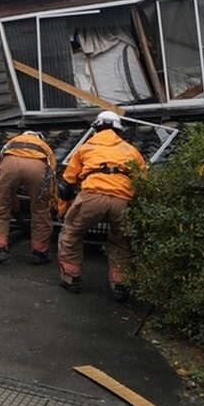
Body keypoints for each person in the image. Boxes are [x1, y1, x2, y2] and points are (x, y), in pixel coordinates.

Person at [57, 111, 147, 301]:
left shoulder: (86, 147)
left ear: (96, 128)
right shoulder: (131, 151)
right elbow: (143, 183)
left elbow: (67, 184)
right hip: (122, 200)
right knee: (122, 241)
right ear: (118, 130)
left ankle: (71, 278)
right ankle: (120, 285)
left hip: (92, 196)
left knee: (72, 233)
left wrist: (63, 208)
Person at [0, 130, 58, 265]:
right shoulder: (44, 145)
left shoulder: (12, 141)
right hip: (36, 166)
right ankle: (39, 252)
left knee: (0, 207)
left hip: (9, 164)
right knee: (40, 210)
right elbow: (52, 170)